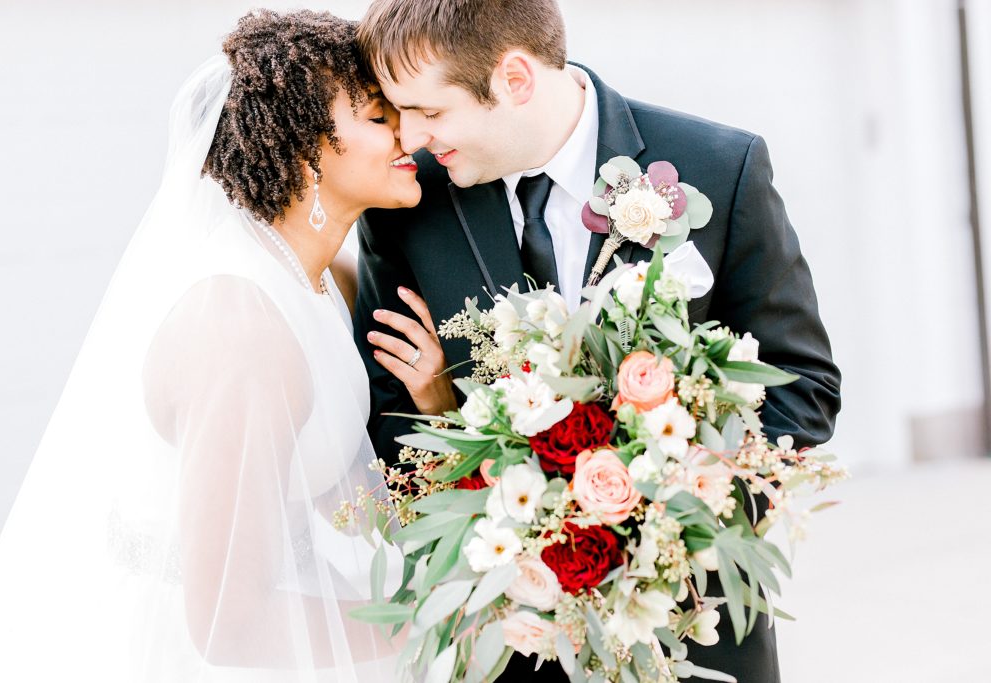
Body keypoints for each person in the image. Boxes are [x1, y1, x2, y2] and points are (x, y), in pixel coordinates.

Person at [353, 1, 842, 681]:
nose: (409, 137)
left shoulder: (719, 167)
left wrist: (666, 525)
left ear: (515, 78)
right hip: (508, 640)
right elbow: (385, 418)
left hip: (691, 632)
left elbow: (803, 385)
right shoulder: (410, 207)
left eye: (430, 113)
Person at [0, 9, 440, 681]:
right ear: (309, 149)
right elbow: (228, 622)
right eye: (375, 116)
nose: (406, 131)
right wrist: (442, 622)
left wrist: (441, 408)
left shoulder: (317, 277)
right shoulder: (241, 328)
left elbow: (346, 496)